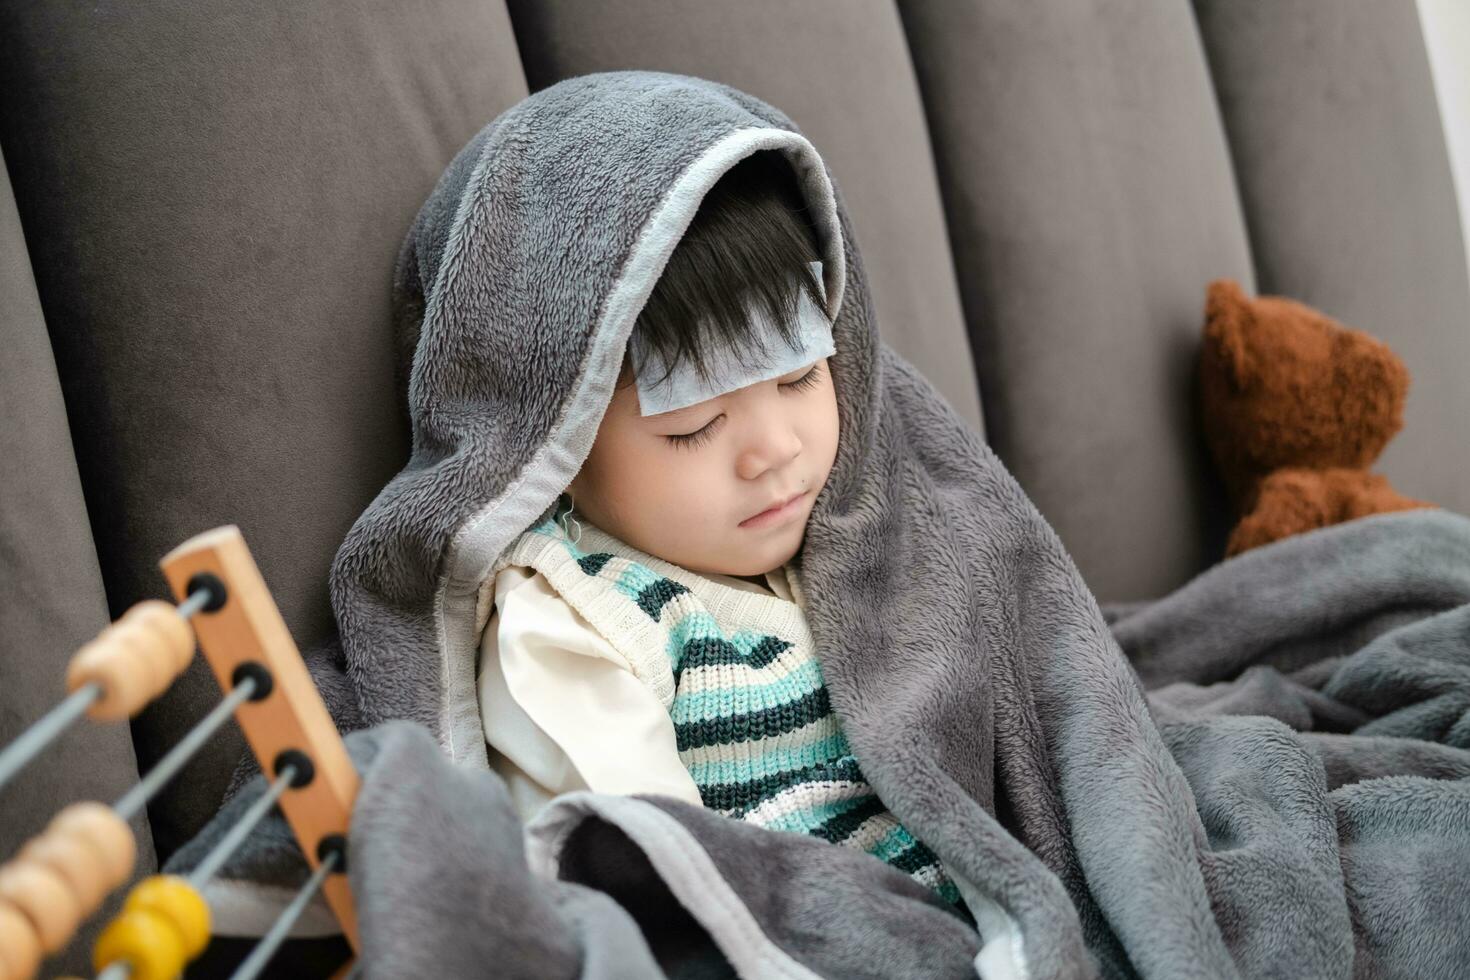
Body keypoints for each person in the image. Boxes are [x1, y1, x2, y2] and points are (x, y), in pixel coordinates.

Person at [475, 149, 962, 907]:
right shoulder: (576, 622)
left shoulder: (862, 508)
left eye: (800, 376)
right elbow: (654, 880)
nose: (776, 450)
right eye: (694, 425)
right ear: (556, 442)